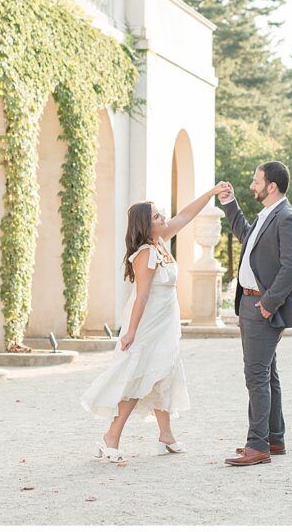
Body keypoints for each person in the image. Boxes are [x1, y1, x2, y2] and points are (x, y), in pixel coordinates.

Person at [81, 182, 231, 462]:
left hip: (165, 323)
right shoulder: (146, 254)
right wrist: (132, 332)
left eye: (162, 215)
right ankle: (110, 437)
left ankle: (166, 436)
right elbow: (141, 296)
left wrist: (211, 194)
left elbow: (186, 215)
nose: (163, 218)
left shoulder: (160, 242)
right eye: (157, 217)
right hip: (147, 325)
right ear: (145, 225)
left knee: (165, 373)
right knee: (139, 378)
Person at [219, 161, 292, 466]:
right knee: (267, 374)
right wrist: (230, 203)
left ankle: (257, 445)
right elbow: (245, 235)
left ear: (272, 186)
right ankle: (274, 438)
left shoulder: (286, 218)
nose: (252, 186)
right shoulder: (267, 215)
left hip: (261, 308)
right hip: (250, 304)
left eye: (257, 182)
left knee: (255, 376)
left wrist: (269, 303)